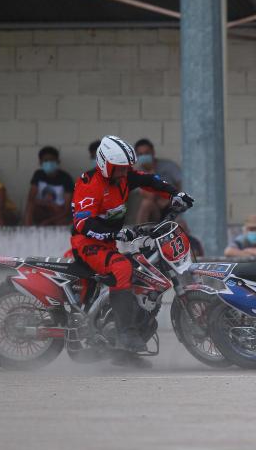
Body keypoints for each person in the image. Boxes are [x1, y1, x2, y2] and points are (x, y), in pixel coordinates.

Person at [70, 135, 192, 362]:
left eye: (126, 168)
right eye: (119, 169)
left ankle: (121, 351)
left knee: (142, 274)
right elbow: (83, 224)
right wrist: (115, 233)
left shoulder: (123, 177)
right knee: (122, 268)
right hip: (87, 244)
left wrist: (176, 194)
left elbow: (150, 180)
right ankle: (126, 333)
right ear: (105, 164)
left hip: (108, 243)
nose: (125, 172)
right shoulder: (90, 185)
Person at [133, 138, 182, 224]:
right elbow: (150, 197)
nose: (144, 156)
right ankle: (140, 234)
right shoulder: (137, 173)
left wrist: (170, 199)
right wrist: (151, 171)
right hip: (155, 210)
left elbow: (182, 184)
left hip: (172, 206)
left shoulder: (168, 165)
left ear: (153, 152)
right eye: (141, 154)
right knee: (146, 204)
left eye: (147, 153)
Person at [24, 146, 74, 226]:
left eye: (52, 160)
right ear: (40, 163)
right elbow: (31, 199)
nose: (49, 163)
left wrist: (49, 221)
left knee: (64, 220)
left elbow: (66, 210)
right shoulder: (38, 175)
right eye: (46, 160)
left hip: (58, 215)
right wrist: (50, 204)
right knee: (30, 206)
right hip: (42, 211)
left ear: (58, 161)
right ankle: (27, 231)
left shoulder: (66, 178)